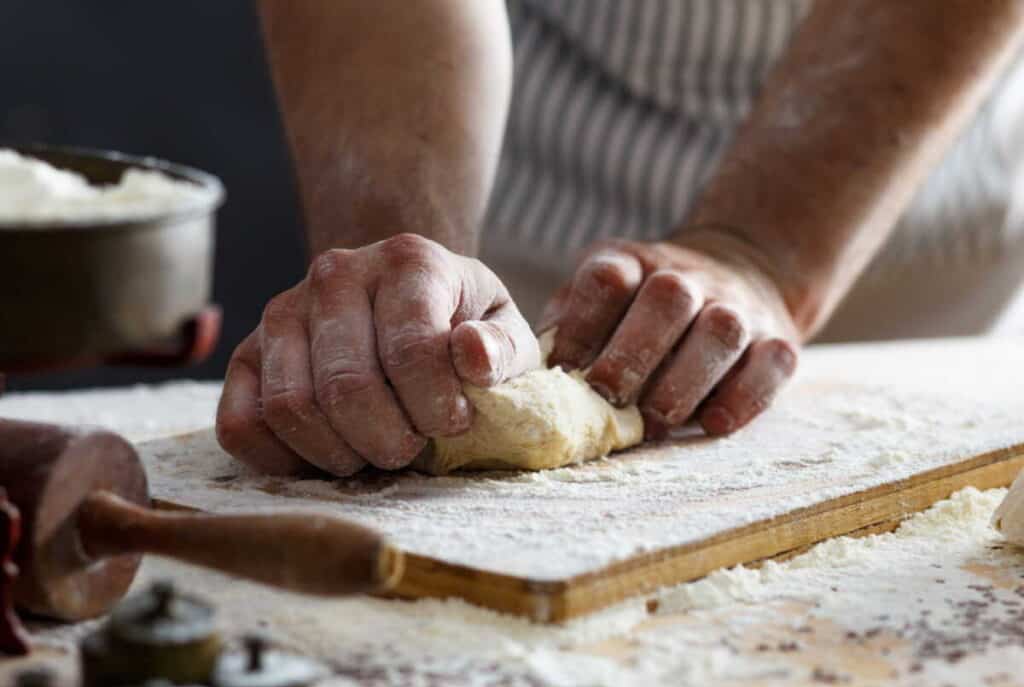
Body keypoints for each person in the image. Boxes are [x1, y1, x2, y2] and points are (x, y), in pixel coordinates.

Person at [216, 0, 1024, 477]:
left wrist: (761, 252)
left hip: (910, 203)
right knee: (444, 405)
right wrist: (399, 268)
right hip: (520, 182)